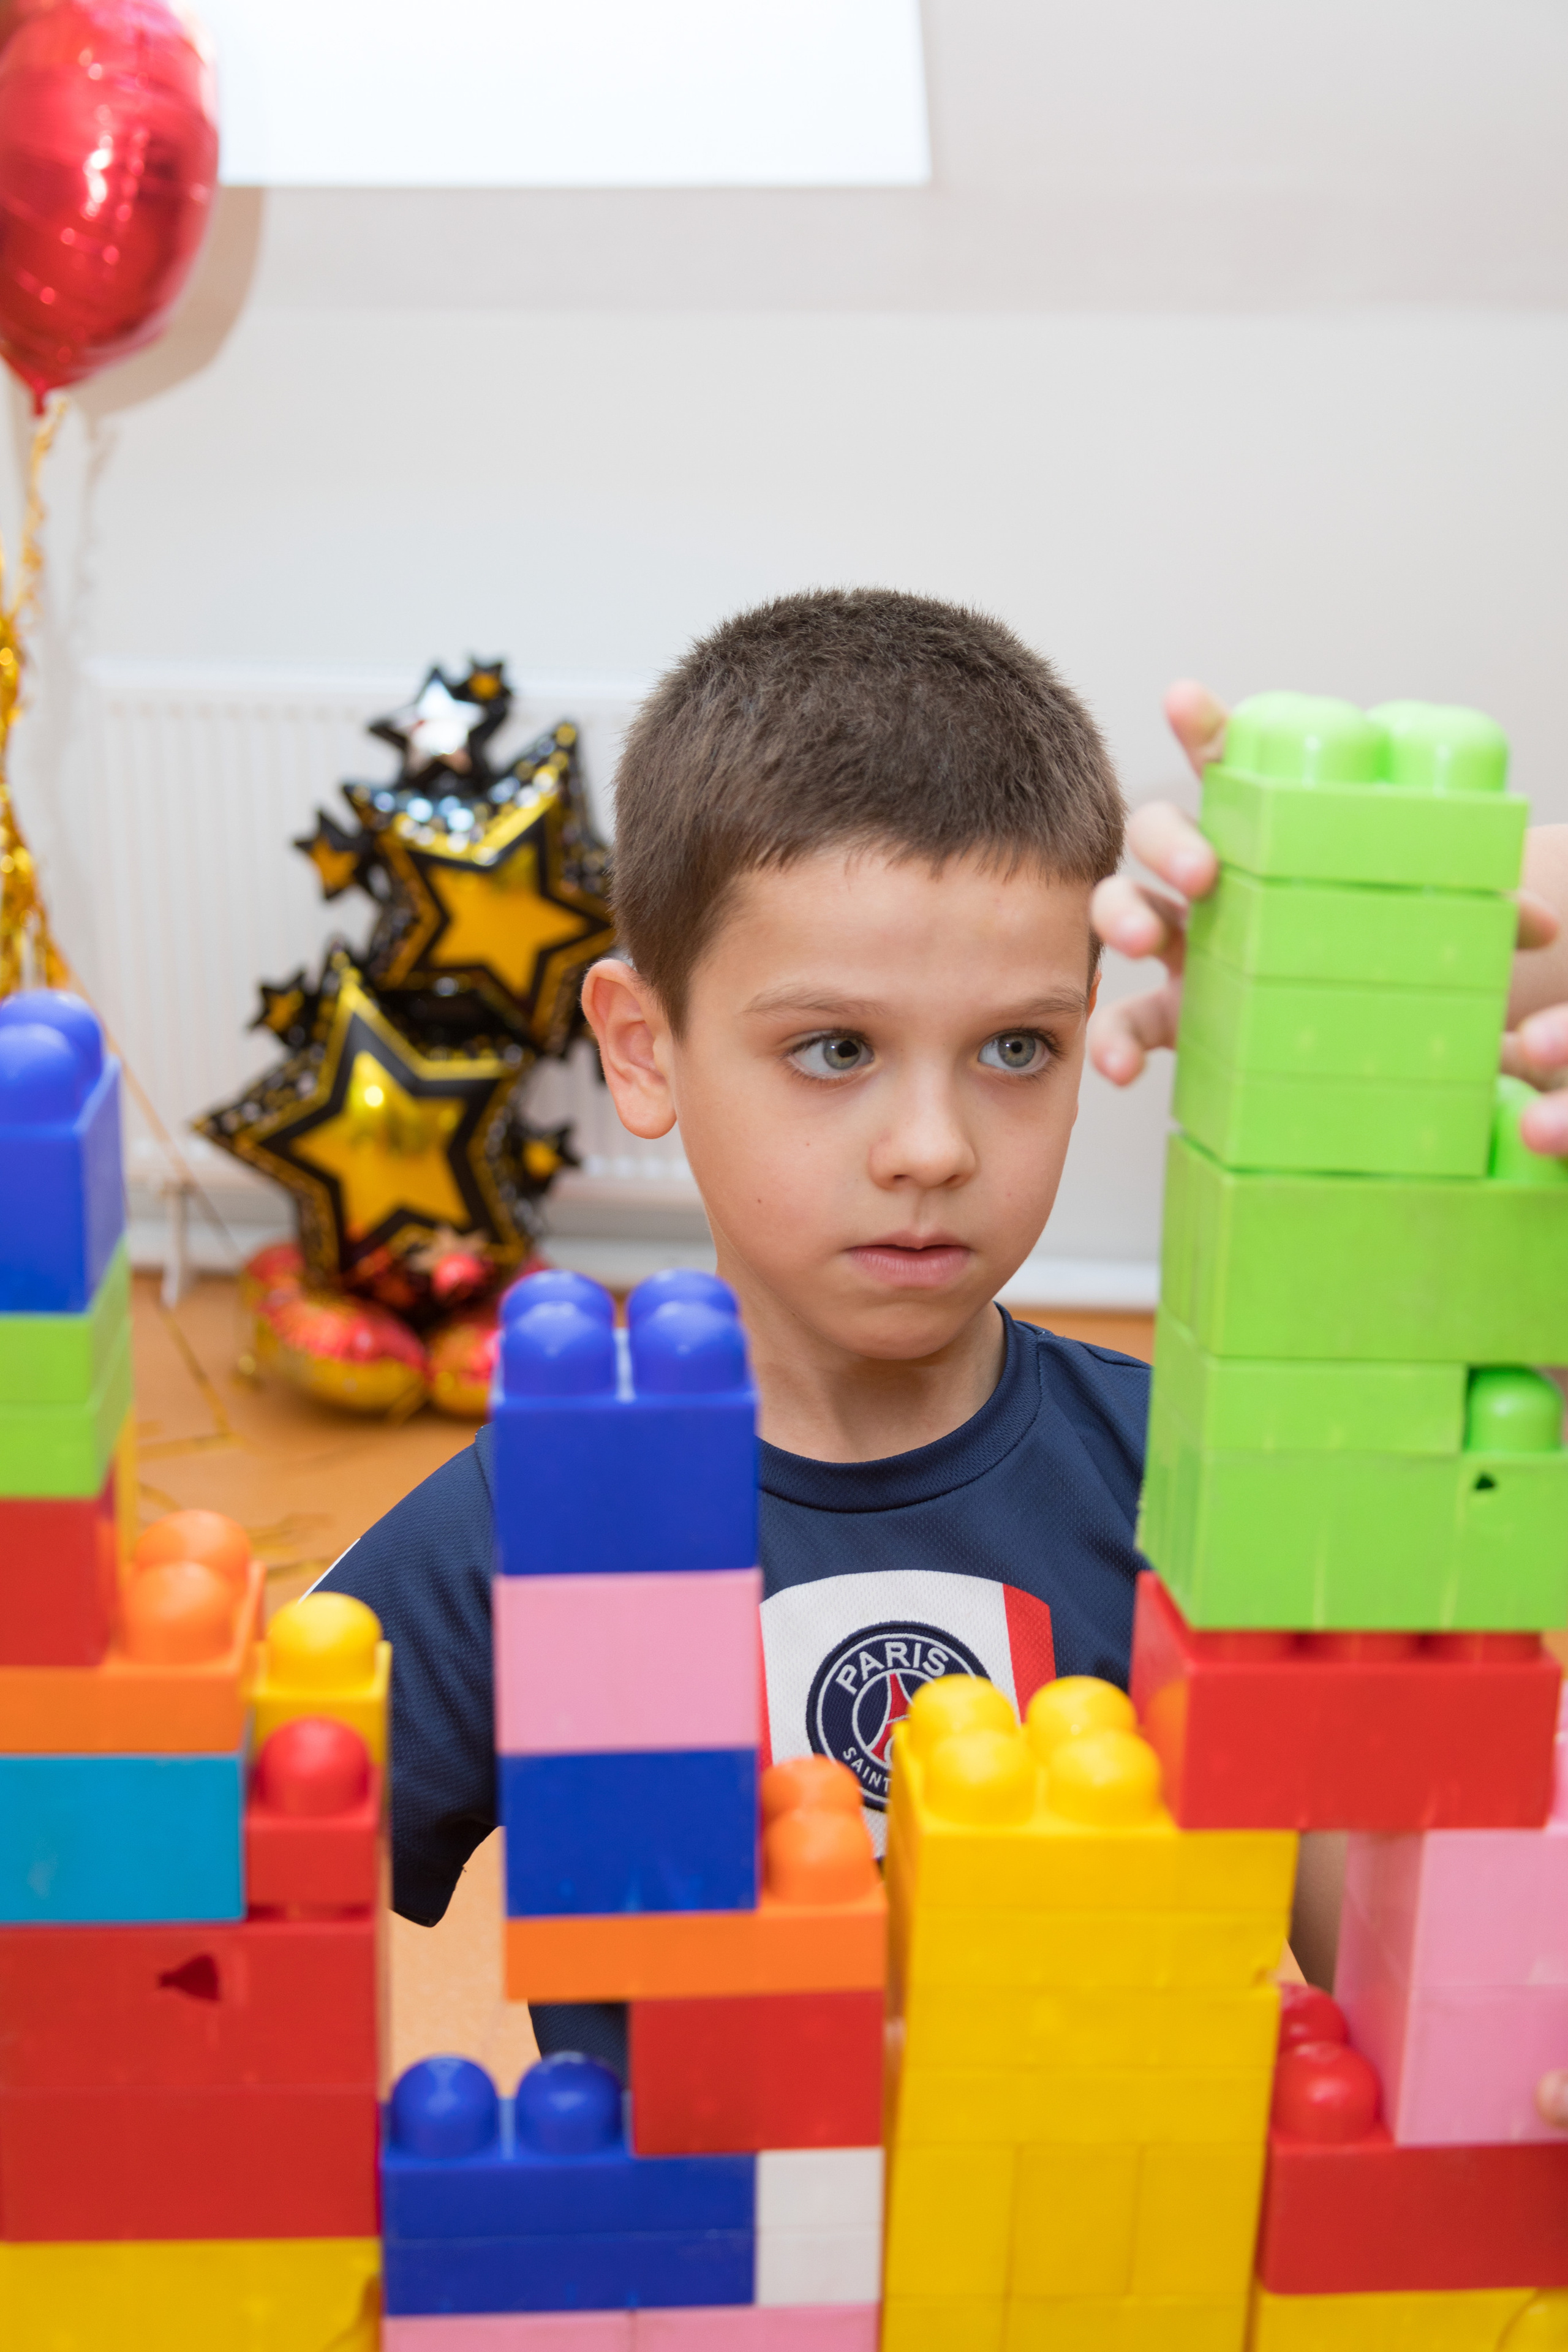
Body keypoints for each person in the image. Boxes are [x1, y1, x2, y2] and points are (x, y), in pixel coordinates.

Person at [320, 616, 1568, 1983]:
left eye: (1014, 1047)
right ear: (643, 1048)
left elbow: (1384, 1965)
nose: (933, 1147)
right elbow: (195, 1901)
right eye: (835, 1047)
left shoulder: (1186, 1483)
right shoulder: (530, 1519)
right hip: (701, 2199)